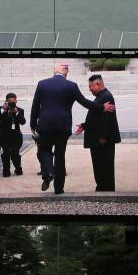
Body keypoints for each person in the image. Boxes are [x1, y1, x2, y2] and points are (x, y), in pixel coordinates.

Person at [30, 63, 115, 194]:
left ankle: (48, 172)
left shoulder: (42, 84)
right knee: (60, 156)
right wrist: (102, 107)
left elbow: (35, 105)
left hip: (45, 125)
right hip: (63, 126)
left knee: (44, 150)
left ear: (54, 71)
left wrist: (32, 125)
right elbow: (85, 102)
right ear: (66, 73)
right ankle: (59, 189)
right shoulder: (71, 86)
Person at [75, 75, 121, 191]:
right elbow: (96, 117)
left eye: (91, 86)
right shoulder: (102, 96)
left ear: (98, 84)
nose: (90, 89)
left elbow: (106, 118)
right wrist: (84, 125)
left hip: (101, 140)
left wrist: (103, 136)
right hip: (98, 139)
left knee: (104, 166)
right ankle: (102, 187)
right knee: (99, 166)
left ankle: (105, 189)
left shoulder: (106, 96)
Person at [0, 93, 26, 176]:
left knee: (15, 153)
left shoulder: (20, 110)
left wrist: (16, 113)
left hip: (16, 136)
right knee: (6, 153)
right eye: (9, 101)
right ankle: (6, 170)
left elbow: (23, 122)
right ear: (6, 101)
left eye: (13, 101)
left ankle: (18, 168)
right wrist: (3, 110)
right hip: (4, 136)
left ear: (16, 100)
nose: (11, 102)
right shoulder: (1, 109)